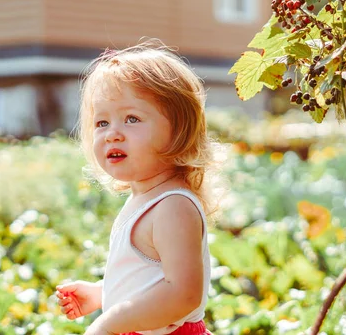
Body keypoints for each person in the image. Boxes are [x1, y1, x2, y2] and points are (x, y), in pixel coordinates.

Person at [55, 40, 224, 335]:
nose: (112, 134)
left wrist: (109, 322)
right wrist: (103, 293)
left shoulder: (173, 207)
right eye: (102, 122)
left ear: (179, 130)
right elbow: (149, 277)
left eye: (131, 119)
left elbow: (183, 294)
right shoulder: (146, 198)